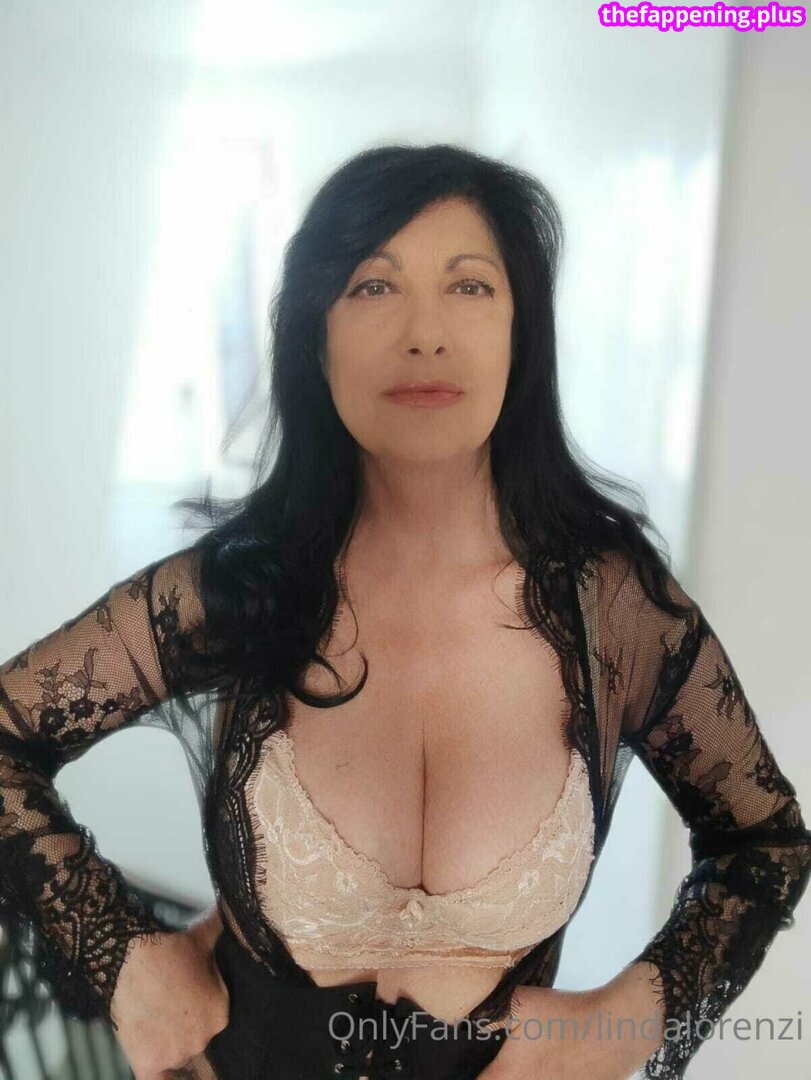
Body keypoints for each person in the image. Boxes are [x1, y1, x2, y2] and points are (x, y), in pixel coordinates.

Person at [1, 143, 809, 1080]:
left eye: (469, 286)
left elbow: (762, 842)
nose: (425, 334)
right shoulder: (235, 590)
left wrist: (620, 1022)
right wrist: (123, 959)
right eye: (373, 287)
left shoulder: (613, 612)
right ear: (316, 340)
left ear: (522, 335)